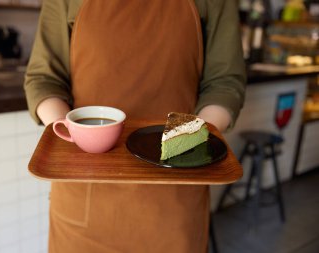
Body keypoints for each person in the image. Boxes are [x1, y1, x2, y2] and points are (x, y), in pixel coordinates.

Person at [24, 0, 246, 252]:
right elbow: (44, 80)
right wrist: (74, 132)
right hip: (83, 203)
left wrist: (184, 142)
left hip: (175, 202)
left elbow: (225, 84)